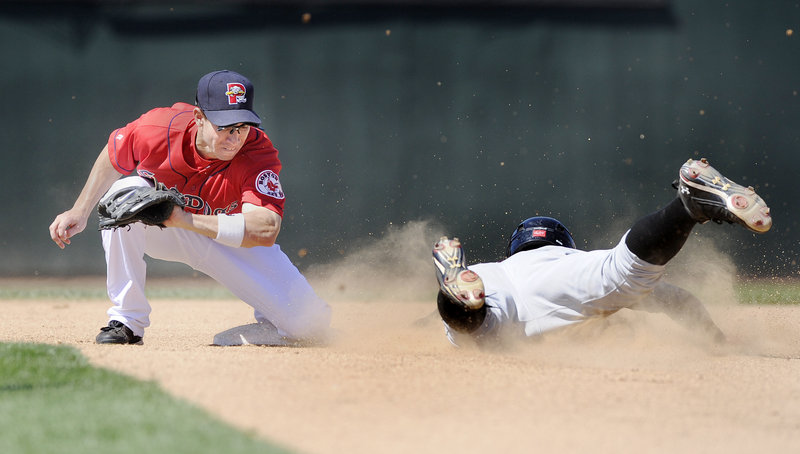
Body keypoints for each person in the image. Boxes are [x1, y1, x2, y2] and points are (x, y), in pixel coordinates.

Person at [49, 70, 331, 345]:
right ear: (199, 117)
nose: (234, 138)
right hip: (164, 229)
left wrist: (182, 219)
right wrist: (79, 210)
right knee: (124, 195)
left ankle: (271, 325)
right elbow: (114, 154)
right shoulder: (157, 129)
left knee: (311, 326)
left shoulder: (257, 152)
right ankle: (127, 320)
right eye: (223, 127)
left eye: (242, 127)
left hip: (226, 238)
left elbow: (265, 229)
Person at [432, 158, 772, 347]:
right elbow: (677, 301)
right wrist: (716, 339)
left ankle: (457, 300)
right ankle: (688, 206)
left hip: (488, 285)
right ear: (563, 243)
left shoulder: (494, 269)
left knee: (472, 331)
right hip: (560, 280)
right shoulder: (571, 259)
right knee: (623, 273)